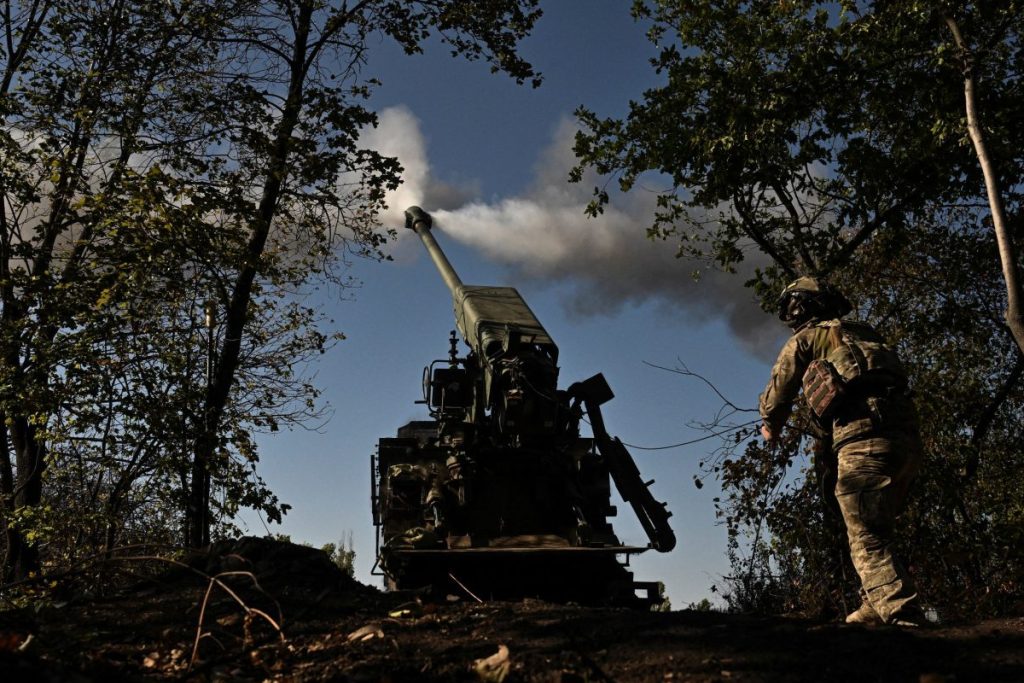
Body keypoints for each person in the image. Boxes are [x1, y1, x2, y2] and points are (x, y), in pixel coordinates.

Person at [759, 276, 926, 626]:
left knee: (866, 531)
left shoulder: (807, 338)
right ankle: (872, 604)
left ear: (799, 306)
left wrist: (770, 425)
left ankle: (900, 611)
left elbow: (779, 391)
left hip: (862, 437)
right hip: (905, 438)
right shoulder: (865, 332)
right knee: (876, 524)